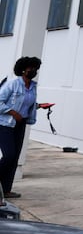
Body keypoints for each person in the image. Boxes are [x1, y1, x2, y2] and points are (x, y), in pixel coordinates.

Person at [0, 56, 41, 200]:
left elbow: (26, 104)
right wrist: (12, 112)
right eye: (31, 68)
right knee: (9, 155)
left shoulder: (33, 87)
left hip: (20, 124)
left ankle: (5, 190)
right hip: (5, 124)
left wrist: (39, 106)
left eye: (35, 68)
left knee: (15, 157)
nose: (34, 71)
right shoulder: (13, 84)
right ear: (23, 70)